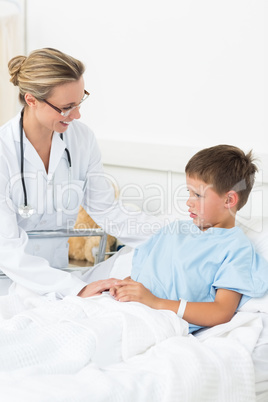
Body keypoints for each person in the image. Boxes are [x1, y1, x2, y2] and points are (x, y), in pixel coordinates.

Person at [0, 47, 162, 299]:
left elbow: (107, 210)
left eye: (80, 101)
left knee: (140, 258)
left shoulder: (81, 139)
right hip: (11, 282)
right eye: (66, 107)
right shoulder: (3, 151)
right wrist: (76, 289)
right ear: (31, 100)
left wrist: (172, 235)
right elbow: (6, 248)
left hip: (64, 275)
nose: (77, 115)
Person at [110, 145, 268, 333]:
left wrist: (155, 302)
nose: (188, 201)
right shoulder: (174, 231)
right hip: (124, 308)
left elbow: (221, 311)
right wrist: (126, 286)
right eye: (189, 192)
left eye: (198, 195)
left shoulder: (236, 249)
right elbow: (148, 274)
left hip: (157, 322)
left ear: (229, 200)